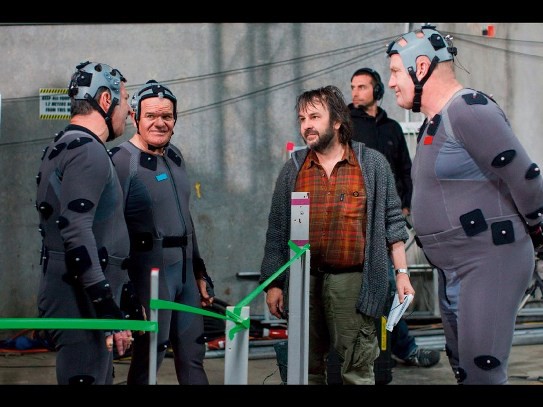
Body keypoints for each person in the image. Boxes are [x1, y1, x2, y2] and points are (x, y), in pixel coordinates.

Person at [386, 24, 543, 384]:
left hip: (488, 261)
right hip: (454, 267)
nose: (391, 82)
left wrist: (538, 233)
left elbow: (526, 176)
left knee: (482, 370)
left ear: (420, 67)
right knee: (463, 367)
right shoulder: (434, 122)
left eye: (395, 72)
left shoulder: (469, 110)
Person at [259, 85, 414, 385]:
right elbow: (277, 230)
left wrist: (402, 274)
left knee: (356, 369)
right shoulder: (293, 169)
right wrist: (273, 284)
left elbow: (393, 223)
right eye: (302, 119)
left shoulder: (371, 165)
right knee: (306, 368)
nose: (307, 125)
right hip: (304, 281)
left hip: (354, 280)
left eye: (315, 117)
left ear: (338, 121)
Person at [109, 80, 214, 385]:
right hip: (149, 275)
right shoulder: (121, 161)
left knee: (193, 353)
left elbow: (185, 218)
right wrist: (124, 290)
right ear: (135, 117)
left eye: (167, 116)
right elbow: (109, 232)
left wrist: (199, 270)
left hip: (184, 274)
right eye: (151, 115)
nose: (160, 123)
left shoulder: (175, 155)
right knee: (149, 356)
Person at [35, 61, 134, 384]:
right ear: (106, 100)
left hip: (77, 294)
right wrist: (106, 306)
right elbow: (76, 231)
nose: (129, 111)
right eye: (125, 99)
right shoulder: (87, 150)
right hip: (81, 300)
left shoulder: (65, 143)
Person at [349, 67, 440, 369]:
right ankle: (402, 349)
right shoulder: (345, 125)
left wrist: (405, 207)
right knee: (385, 284)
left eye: (362, 87)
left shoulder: (391, 129)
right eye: (353, 87)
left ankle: (393, 349)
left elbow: (405, 168)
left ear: (377, 91)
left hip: (389, 219)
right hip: (357, 220)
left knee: (389, 285)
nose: (355, 92)